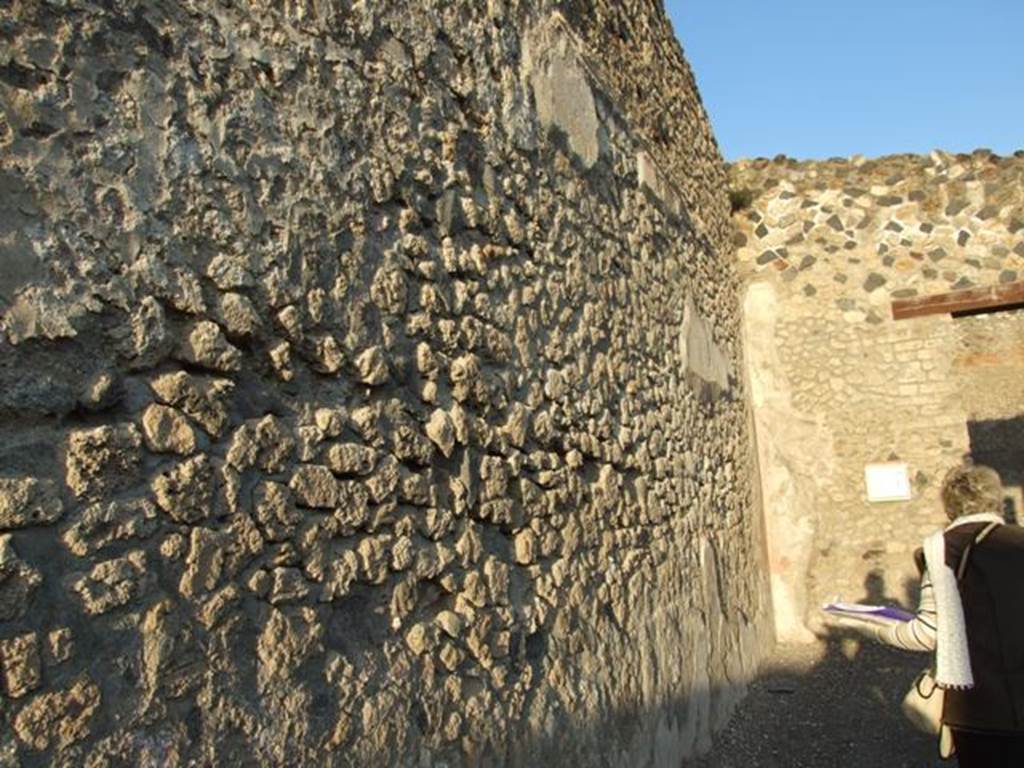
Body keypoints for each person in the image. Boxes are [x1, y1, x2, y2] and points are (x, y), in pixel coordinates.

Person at [861, 463, 1024, 765]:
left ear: (949, 504)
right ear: (996, 498)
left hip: (976, 708)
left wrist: (875, 629)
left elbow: (927, 633)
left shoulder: (940, 550)